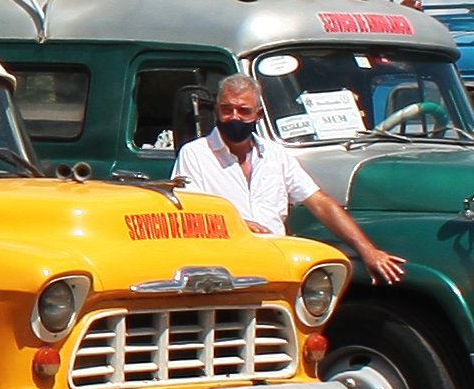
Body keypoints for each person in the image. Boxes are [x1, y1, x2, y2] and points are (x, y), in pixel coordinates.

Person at [171, 74, 406, 284]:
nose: (234, 117)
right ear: (216, 111)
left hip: (276, 265)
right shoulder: (195, 154)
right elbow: (190, 214)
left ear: (258, 115)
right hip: (225, 268)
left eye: (243, 111)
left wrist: (368, 251)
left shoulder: (275, 154)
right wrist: (238, 224)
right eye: (227, 109)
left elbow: (320, 203)